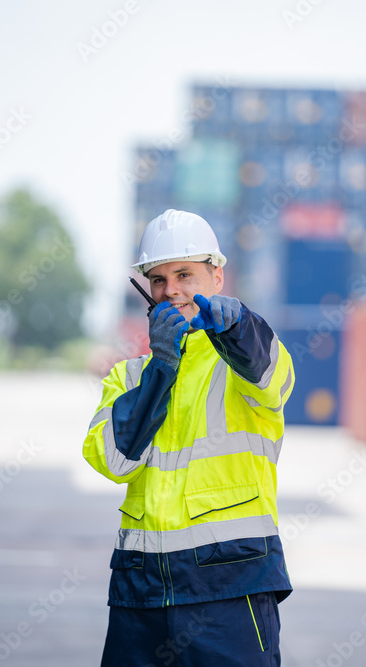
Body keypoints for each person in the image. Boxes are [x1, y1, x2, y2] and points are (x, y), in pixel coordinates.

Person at [83, 209, 295, 666]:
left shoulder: (242, 363)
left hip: (230, 590)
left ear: (217, 277)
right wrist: (162, 367)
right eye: (158, 279)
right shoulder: (130, 376)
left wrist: (239, 325)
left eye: (185, 274)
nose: (171, 290)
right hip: (141, 596)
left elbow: (270, 373)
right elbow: (112, 460)